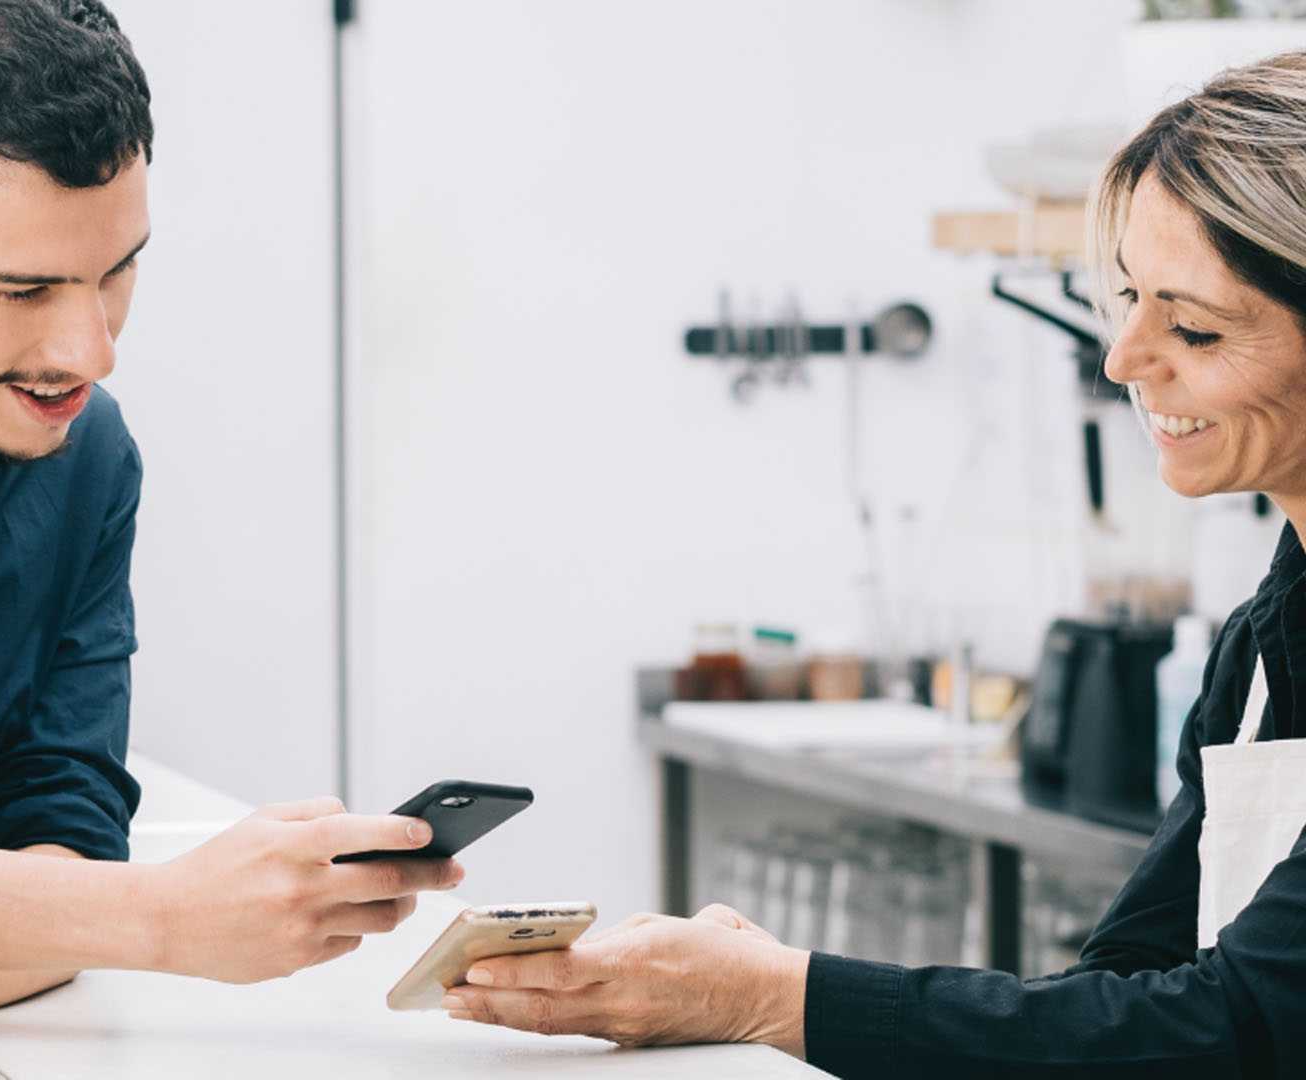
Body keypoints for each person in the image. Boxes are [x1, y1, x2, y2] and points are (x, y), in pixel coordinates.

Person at [444, 50, 1306, 1078]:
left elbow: (1243, 1027)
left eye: (1193, 324)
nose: (1123, 359)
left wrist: (777, 999)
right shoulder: (1260, 645)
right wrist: (781, 995)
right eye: (1125, 299)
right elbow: (1127, 990)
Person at [0, 2, 459, 1076]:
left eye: (117, 270)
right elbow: (92, 897)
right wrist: (154, 916)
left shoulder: (89, 462)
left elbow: (64, 829)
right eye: (24, 288)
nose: (90, 352)